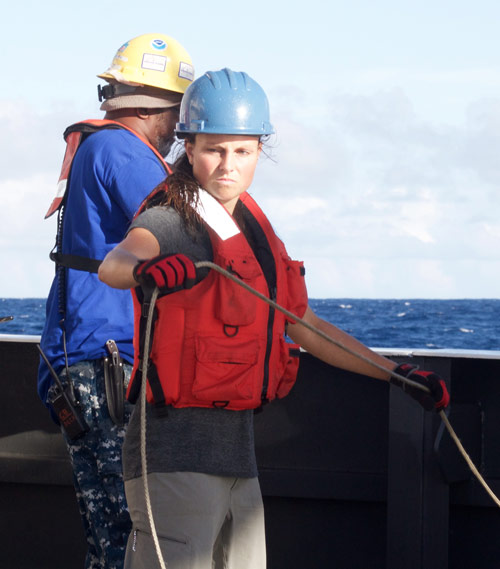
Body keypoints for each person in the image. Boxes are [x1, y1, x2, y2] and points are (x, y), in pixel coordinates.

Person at [98, 68, 450, 569]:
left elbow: (301, 324)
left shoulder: (257, 235)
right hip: (171, 455)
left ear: (259, 152)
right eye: (213, 150)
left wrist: (397, 374)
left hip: (238, 459)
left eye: (242, 151)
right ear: (189, 147)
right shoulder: (169, 217)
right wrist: (148, 270)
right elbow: (115, 264)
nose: (227, 165)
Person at [37, 34, 194, 569]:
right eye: (179, 112)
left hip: (76, 363)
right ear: (157, 108)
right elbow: (185, 231)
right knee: (133, 532)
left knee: (106, 537)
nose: (179, 128)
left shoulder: (100, 146)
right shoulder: (126, 152)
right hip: (107, 365)